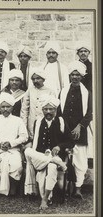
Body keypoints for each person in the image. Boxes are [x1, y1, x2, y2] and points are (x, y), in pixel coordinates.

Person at [24, 97, 73, 210]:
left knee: (50, 168)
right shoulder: (38, 122)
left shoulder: (61, 122)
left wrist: (59, 146)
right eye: (45, 109)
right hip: (40, 156)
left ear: (55, 110)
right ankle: (54, 162)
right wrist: (30, 144)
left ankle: (45, 199)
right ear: (42, 110)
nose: (48, 112)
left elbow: (71, 141)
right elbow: (35, 142)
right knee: (27, 150)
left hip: (56, 156)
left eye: (51, 109)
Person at [58, 60, 92, 199]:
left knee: (80, 160)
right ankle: (64, 187)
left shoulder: (88, 93)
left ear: (82, 76)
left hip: (80, 131)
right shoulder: (63, 91)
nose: (75, 77)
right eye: (73, 74)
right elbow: (59, 111)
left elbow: (90, 113)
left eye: (78, 75)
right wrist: (65, 129)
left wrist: (79, 126)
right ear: (70, 76)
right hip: (64, 130)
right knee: (64, 158)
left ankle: (78, 188)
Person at [20, 68, 55, 140]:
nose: (35, 81)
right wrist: (24, 125)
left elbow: (53, 111)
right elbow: (24, 109)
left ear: (43, 79)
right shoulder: (30, 90)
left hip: (44, 123)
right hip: (31, 123)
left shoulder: (50, 91)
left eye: (38, 78)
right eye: (33, 79)